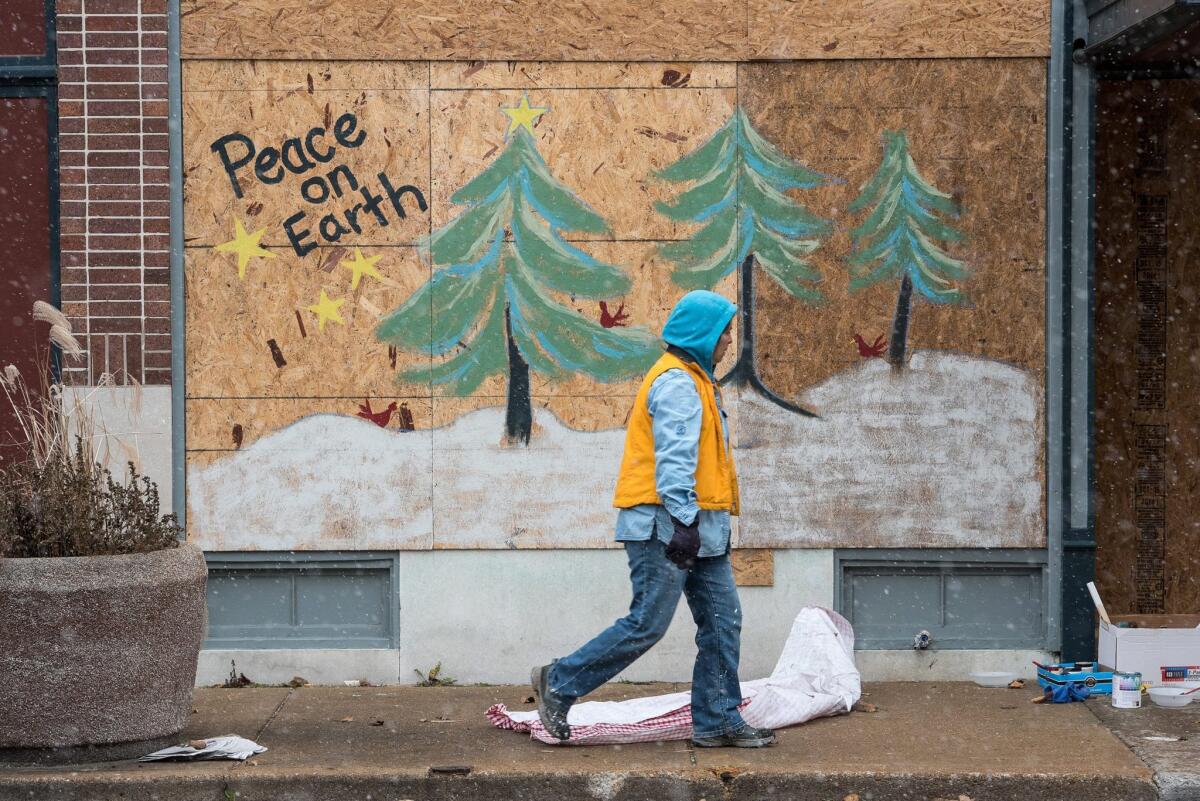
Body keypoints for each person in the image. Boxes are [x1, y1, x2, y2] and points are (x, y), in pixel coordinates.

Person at [531, 290, 775, 748]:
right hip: (668, 527)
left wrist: (699, 526)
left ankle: (718, 719)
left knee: (724, 622)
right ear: (704, 333)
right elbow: (674, 462)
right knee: (647, 623)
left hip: (701, 529)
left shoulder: (698, 380)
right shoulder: (678, 383)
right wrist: (685, 524)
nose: (728, 341)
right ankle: (559, 682)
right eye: (724, 331)